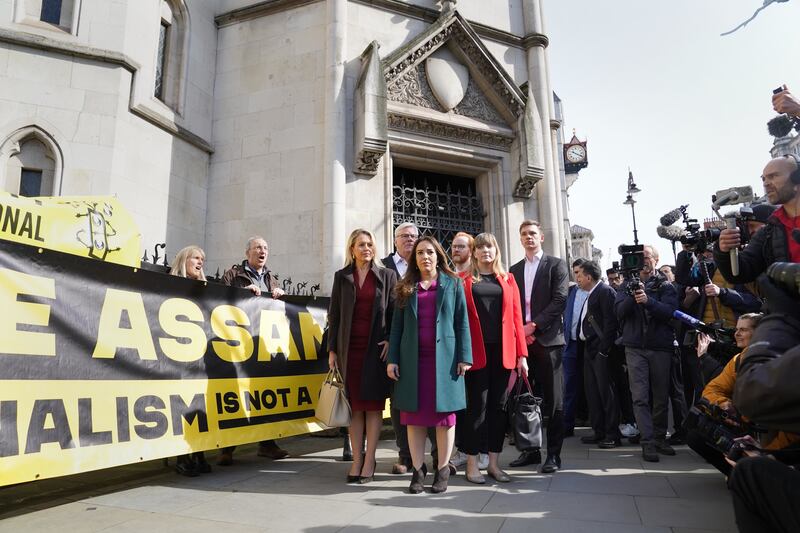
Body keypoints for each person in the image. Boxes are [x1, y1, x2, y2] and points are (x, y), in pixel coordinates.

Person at [387, 236, 472, 494]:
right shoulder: (405, 286)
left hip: (445, 362)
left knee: (444, 419)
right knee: (413, 418)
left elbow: (462, 322)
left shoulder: (453, 284)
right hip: (413, 363)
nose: (425, 257)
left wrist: (464, 356)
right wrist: (392, 359)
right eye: (420, 253)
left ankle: (443, 468)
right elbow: (397, 327)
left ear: (438, 256)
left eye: (430, 252)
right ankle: (417, 469)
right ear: (415, 259)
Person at [327, 229, 397, 484]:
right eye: (361, 244)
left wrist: (391, 338)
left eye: (370, 244)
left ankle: (370, 460)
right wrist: (332, 350)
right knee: (355, 407)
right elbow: (334, 315)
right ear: (352, 249)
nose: (366, 248)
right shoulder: (342, 277)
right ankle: (357, 458)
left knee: (373, 406)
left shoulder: (388, 276)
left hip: (375, 350)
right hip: (349, 350)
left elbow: (393, 312)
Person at [459, 232, 527, 484]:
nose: (485, 250)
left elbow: (517, 321)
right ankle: (471, 464)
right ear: (474, 252)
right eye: (480, 247)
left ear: (496, 250)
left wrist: (522, 355)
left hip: (504, 353)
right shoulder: (463, 280)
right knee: (476, 409)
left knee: (498, 409)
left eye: (490, 246)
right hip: (475, 354)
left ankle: (495, 464)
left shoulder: (508, 279)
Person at [217, 236, 288, 466]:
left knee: (265, 393)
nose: (263, 251)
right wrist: (242, 292)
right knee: (236, 394)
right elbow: (218, 301)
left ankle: (267, 444)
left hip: (264, 344)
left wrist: (279, 294)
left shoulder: (271, 278)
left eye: (266, 248)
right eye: (258, 247)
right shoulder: (233, 275)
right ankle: (227, 448)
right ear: (247, 252)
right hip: (238, 343)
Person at [508, 220, 569, 473]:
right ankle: (530, 450)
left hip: (548, 340)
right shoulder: (514, 269)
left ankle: (553, 455)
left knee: (554, 401)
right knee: (524, 398)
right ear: (520, 239)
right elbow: (511, 305)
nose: (528, 237)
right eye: (524, 234)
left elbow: (560, 299)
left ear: (541, 237)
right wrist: (521, 333)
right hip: (523, 343)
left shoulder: (556, 265)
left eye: (532, 233)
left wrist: (533, 326)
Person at [614, 245, 679, 462]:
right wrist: (633, 296)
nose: (643, 261)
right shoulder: (625, 286)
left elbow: (670, 312)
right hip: (634, 347)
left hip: (660, 346)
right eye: (639, 258)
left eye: (647, 257)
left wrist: (648, 301)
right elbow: (619, 314)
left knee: (660, 396)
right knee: (640, 397)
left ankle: (660, 437)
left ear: (656, 259)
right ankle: (647, 441)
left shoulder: (665, 285)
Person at [686, 314, 769, 477]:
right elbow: (712, 389)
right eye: (736, 329)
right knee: (696, 431)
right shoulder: (738, 359)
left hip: (773, 428)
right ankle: (737, 474)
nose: (736, 334)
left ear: (759, 333)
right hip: (744, 423)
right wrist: (725, 404)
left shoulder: (776, 358)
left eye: (743, 330)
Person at [715, 155, 800, 283]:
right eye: (763, 178)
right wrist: (724, 251)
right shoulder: (768, 232)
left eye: (773, 176)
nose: (766, 183)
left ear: (796, 178)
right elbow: (740, 273)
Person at [169, 245, 212, 477]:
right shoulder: (167, 287)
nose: (200, 262)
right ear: (184, 259)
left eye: (202, 259)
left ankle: (199, 453)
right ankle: (182, 456)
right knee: (181, 406)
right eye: (196, 258)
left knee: (199, 406)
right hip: (176, 359)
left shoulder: (204, 289)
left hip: (199, 359)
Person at [447, 231, 487, 471]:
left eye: (461, 246)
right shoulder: (449, 277)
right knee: (459, 404)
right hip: (454, 352)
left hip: (478, 350)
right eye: (454, 246)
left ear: (471, 250)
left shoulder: (479, 278)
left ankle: (480, 450)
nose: (456, 250)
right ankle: (462, 449)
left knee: (477, 403)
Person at [574, 260, 621, 448]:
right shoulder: (590, 293)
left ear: (588, 276)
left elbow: (611, 323)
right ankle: (599, 430)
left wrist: (604, 350)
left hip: (602, 351)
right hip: (589, 349)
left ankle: (612, 433)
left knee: (606, 393)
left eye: (579, 275)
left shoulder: (605, 292)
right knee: (593, 393)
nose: (576, 279)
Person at [562, 259, 589, 437]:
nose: (577, 276)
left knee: (591, 385)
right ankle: (567, 424)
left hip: (588, 345)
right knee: (569, 385)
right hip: (570, 343)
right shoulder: (570, 291)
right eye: (575, 272)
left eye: (580, 272)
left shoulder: (595, 291)